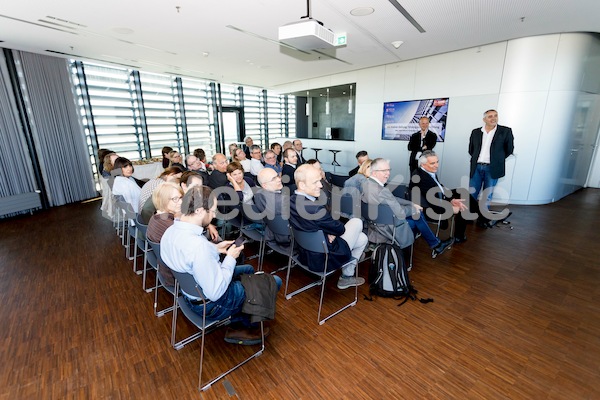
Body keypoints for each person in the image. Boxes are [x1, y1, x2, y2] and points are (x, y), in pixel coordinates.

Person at [160, 185, 282, 346]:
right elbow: (216, 292)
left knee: (248, 270)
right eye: (212, 211)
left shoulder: (170, 232)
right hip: (212, 304)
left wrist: (215, 248)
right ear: (198, 211)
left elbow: (190, 257)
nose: (214, 215)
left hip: (190, 293)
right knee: (274, 281)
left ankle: (241, 318)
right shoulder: (198, 246)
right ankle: (242, 327)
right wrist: (230, 258)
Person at [289, 164, 368, 289]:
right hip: (325, 257)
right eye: (315, 182)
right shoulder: (315, 209)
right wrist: (330, 231)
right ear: (302, 185)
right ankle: (346, 277)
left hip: (305, 254)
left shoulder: (290, 200)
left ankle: (348, 275)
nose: (320, 185)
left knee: (363, 238)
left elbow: (310, 225)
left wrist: (327, 231)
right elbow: (340, 229)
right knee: (357, 222)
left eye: (319, 181)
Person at [361, 158, 453, 258]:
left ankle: (434, 244)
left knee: (416, 215)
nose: (388, 174)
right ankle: (433, 245)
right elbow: (400, 212)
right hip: (388, 229)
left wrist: (411, 203)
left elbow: (392, 199)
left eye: (388, 170)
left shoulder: (366, 184)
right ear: (374, 172)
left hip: (374, 225)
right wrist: (414, 209)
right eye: (384, 171)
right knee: (417, 215)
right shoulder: (380, 190)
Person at [411, 151, 491, 244]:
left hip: (439, 197)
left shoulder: (427, 171)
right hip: (433, 207)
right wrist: (450, 206)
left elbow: (438, 187)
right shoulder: (421, 178)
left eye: (437, 162)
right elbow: (432, 200)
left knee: (463, 192)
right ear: (423, 164)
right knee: (463, 206)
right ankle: (459, 236)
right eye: (432, 163)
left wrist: (451, 199)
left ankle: (482, 217)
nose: (436, 165)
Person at [468, 109, 514, 203]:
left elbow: (509, 149)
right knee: (472, 193)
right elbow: (471, 149)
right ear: (484, 119)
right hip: (476, 167)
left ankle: (484, 216)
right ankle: (468, 215)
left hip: (493, 168)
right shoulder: (475, 132)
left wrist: (497, 159)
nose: (493, 118)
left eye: (495, 115)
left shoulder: (505, 131)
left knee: (487, 195)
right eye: (490, 116)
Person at [146, 182, 184, 287]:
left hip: (168, 272)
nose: (181, 202)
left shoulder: (156, 218)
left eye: (181, 197)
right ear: (163, 201)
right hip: (180, 278)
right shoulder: (170, 226)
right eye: (175, 199)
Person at [255, 168, 290, 246]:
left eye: (277, 176)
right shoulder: (284, 200)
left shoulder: (258, 194)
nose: (279, 179)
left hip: (270, 234)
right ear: (265, 185)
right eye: (273, 179)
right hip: (287, 237)